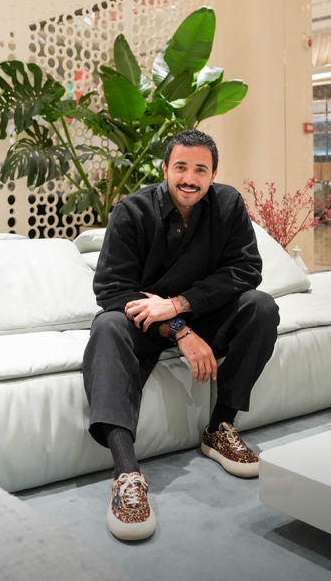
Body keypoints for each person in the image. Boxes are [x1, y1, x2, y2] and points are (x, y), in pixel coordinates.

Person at [83, 129, 279, 541]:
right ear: (165, 169)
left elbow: (245, 270)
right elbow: (112, 290)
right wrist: (177, 330)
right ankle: (126, 473)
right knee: (107, 326)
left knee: (260, 307)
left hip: (198, 313)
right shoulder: (131, 212)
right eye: (181, 168)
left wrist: (178, 306)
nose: (190, 179)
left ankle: (220, 427)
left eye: (200, 170)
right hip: (144, 324)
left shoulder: (228, 204)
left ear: (213, 175)